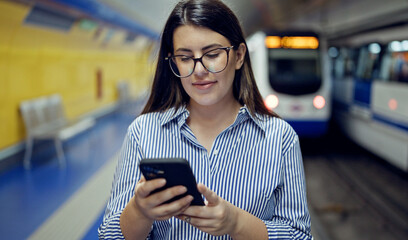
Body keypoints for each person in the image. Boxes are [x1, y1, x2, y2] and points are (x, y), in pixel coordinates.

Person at [98, 0, 313, 239]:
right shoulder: (143, 132)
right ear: (173, 62)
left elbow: (299, 235)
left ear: (239, 56)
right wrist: (139, 211)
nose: (199, 70)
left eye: (212, 54)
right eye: (185, 57)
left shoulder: (280, 138)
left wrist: (236, 222)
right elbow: (109, 235)